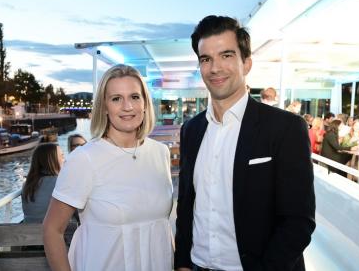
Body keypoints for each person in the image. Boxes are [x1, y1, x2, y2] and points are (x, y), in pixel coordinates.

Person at [174, 15, 315, 271]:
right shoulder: (191, 130)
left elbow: (298, 222)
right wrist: (182, 262)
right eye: (206, 59)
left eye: (226, 55)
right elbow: (186, 204)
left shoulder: (285, 128)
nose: (215, 68)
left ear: (246, 63)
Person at [43, 64, 173, 271]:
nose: (127, 106)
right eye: (116, 99)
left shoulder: (160, 153)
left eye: (134, 97)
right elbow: (52, 230)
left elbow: (161, 226)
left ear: (145, 104)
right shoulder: (84, 159)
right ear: (104, 107)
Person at [22, 143, 64, 223]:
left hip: (27, 231)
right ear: (52, 160)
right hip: (51, 232)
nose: (65, 160)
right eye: (62, 156)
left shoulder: (27, 184)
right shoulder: (60, 182)